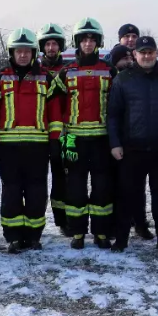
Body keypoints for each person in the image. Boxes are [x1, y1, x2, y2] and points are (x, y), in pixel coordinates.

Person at [107, 36, 158, 252]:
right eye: (142, 52)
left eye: (150, 52)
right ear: (135, 54)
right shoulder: (123, 79)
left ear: (156, 53)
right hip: (131, 149)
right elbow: (113, 115)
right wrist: (115, 143)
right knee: (127, 195)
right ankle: (122, 239)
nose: (146, 56)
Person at [0, 28, 61, 253]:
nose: (22, 55)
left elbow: (55, 113)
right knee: (11, 192)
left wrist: (55, 141)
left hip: (38, 147)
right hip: (8, 148)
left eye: (27, 51)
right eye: (18, 51)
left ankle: (34, 236)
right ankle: (13, 237)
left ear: (33, 53)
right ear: (12, 52)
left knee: (37, 192)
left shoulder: (47, 79)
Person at [49, 17, 117, 249]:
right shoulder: (66, 73)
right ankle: (77, 232)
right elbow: (52, 104)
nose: (88, 44)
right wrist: (60, 137)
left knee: (102, 187)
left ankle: (101, 232)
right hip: (74, 141)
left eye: (92, 39)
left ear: (98, 42)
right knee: (75, 188)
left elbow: (120, 106)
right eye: (84, 40)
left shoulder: (110, 71)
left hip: (102, 140)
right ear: (77, 42)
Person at [107, 44, 153, 240]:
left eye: (129, 59)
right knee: (112, 187)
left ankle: (140, 224)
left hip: (133, 142)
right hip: (111, 140)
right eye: (122, 59)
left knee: (137, 187)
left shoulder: (134, 79)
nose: (127, 62)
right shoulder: (108, 79)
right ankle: (114, 225)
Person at [37, 23, 71, 234]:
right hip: (38, 133)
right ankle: (35, 220)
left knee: (62, 178)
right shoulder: (34, 71)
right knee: (38, 180)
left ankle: (63, 220)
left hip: (63, 133)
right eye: (47, 44)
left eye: (54, 44)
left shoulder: (68, 70)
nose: (51, 48)